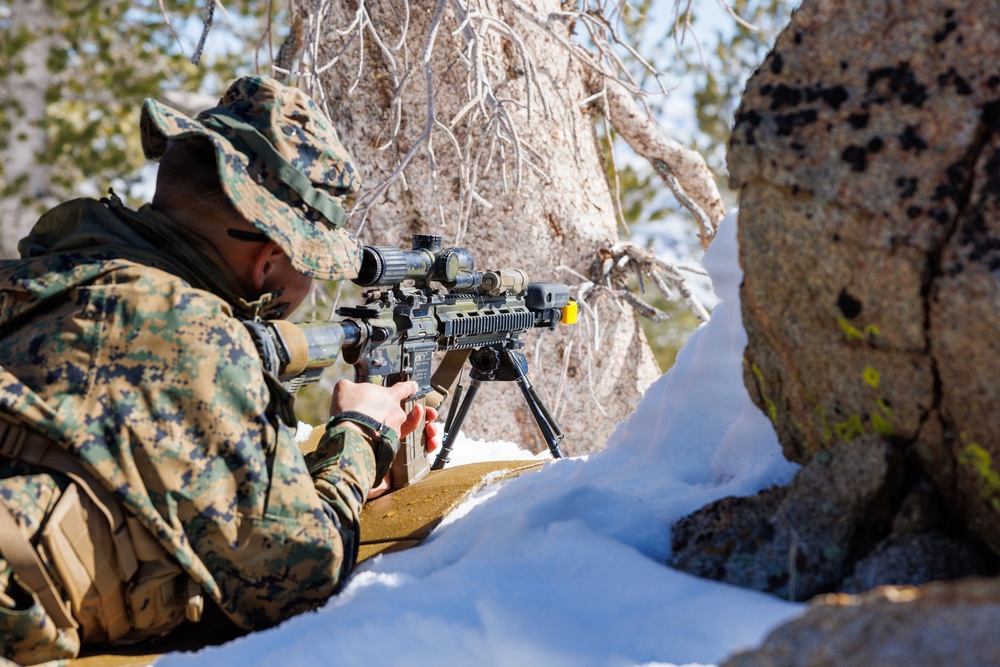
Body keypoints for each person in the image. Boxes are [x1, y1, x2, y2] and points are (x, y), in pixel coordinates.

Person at [0, 75, 440, 664]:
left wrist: (302, 477)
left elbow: (134, 461)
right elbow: (299, 578)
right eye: (310, 265)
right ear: (268, 264)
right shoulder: (193, 336)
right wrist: (359, 438)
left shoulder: (46, 283)